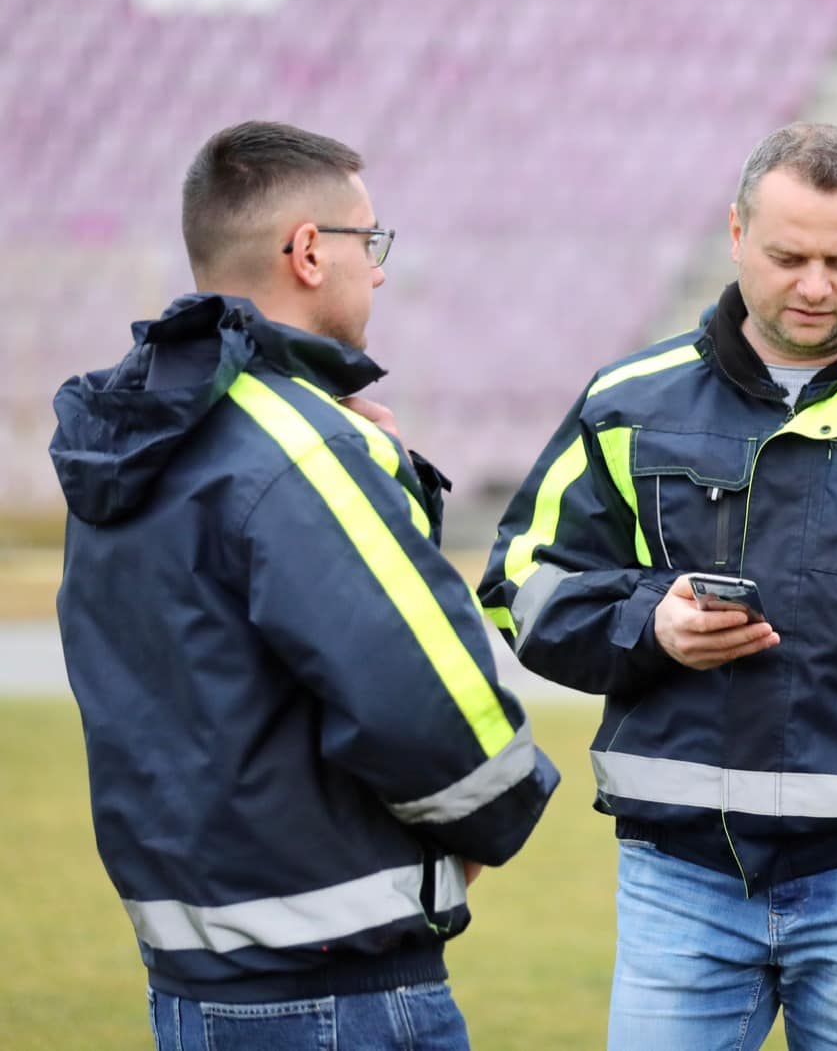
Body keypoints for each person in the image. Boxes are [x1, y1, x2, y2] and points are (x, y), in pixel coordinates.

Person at [478, 122, 837, 1049]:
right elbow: (524, 580)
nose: (814, 285)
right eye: (788, 255)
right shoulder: (629, 401)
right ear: (736, 235)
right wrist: (649, 625)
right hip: (677, 876)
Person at [50, 120, 559, 1050]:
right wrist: (494, 818)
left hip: (192, 980)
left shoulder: (132, 436)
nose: (380, 268)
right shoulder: (299, 441)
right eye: (372, 241)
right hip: (337, 989)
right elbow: (425, 701)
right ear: (310, 252)